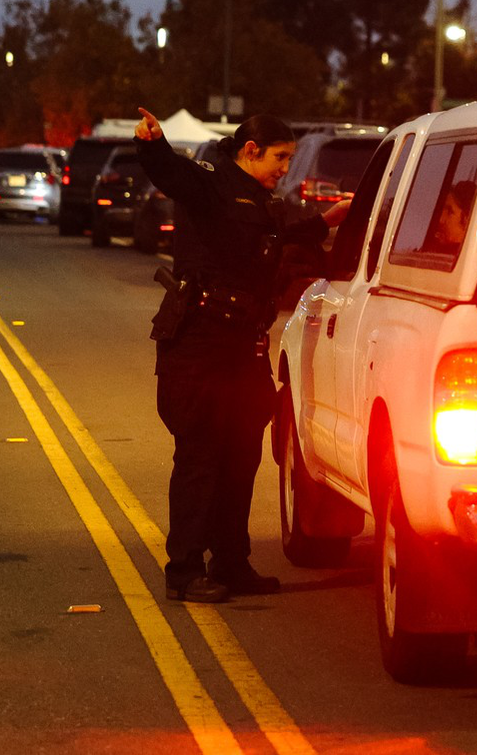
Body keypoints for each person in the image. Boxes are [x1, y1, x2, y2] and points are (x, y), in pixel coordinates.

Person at [134, 107, 350, 604]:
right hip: (201, 344)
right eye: (280, 157)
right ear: (250, 150)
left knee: (240, 458)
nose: (285, 168)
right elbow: (171, 174)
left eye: (291, 158)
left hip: (243, 348)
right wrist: (152, 144)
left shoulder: (259, 198)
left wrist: (324, 222)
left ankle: (231, 562)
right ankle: (184, 570)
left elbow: (272, 232)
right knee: (201, 458)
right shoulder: (209, 181)